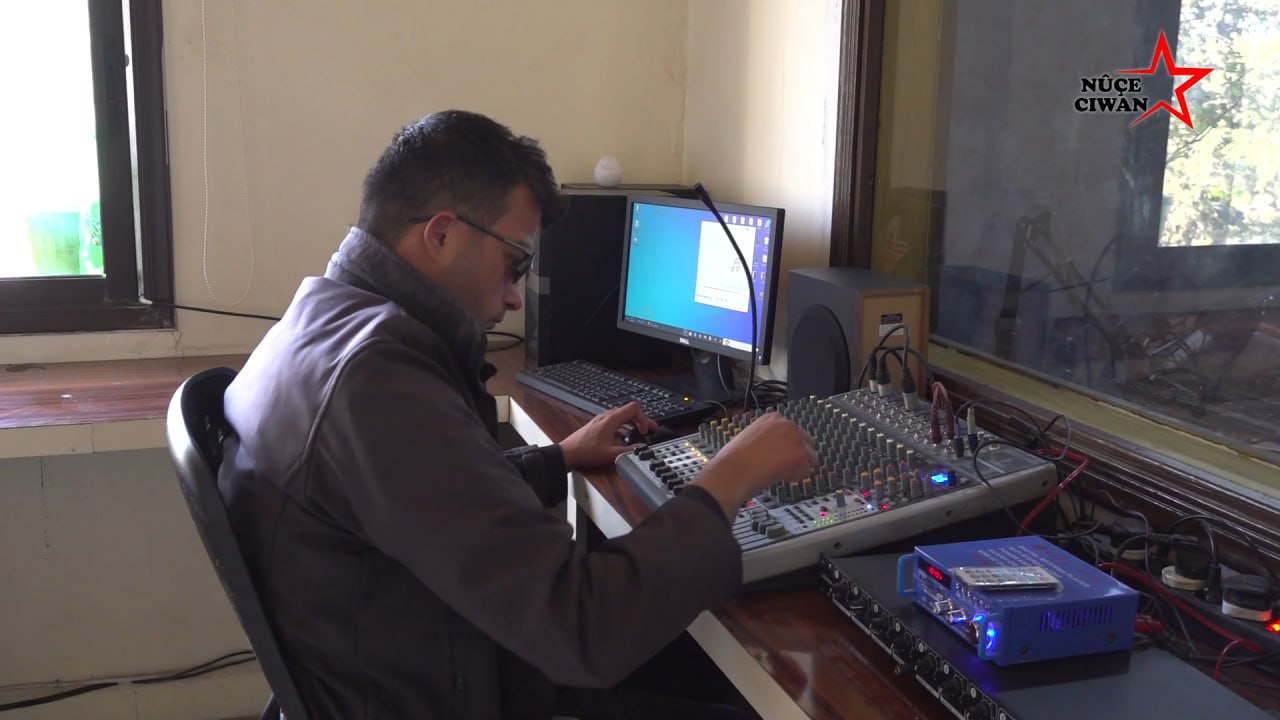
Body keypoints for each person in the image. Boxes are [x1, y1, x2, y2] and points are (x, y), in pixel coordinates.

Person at [219, 109, 817, 719]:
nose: (513, 296)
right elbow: (584, 629)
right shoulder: (377, 381)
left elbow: (423, 499)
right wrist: (727, 480)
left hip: (413, 660)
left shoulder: (322, 322)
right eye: (515, 264)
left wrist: (557, 458)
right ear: (442, 234)